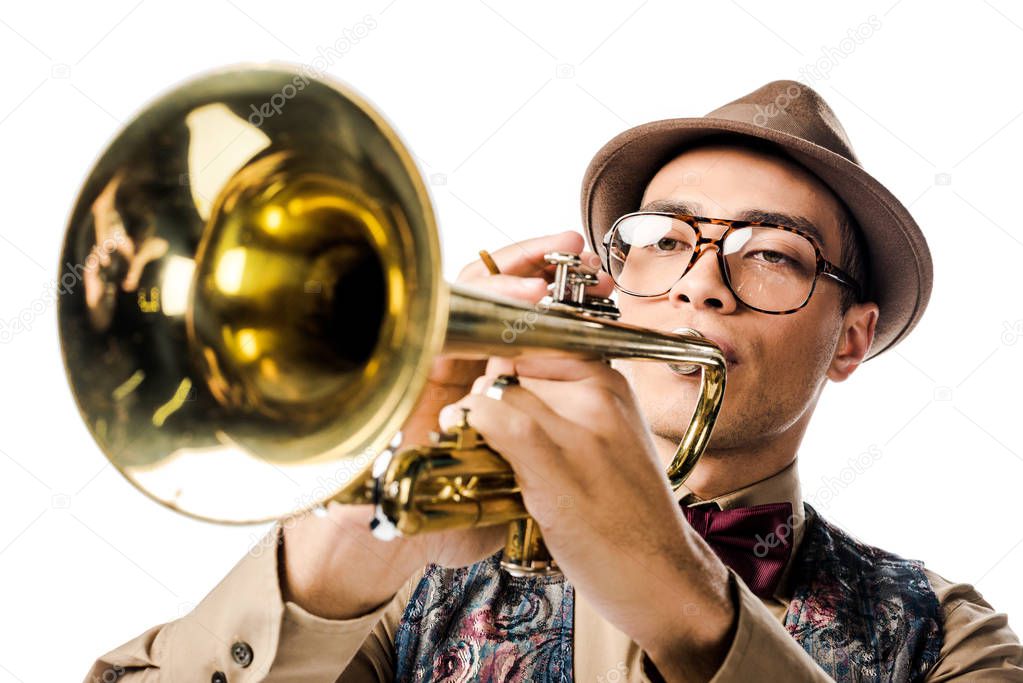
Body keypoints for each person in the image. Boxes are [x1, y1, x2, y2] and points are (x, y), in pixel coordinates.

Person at [85, 80, 1023, 682]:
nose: (699, 278)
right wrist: (342, 547)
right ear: (608, 287)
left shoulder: (947, 637)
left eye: (770, 252)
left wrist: (680, 591)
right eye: (664, 241)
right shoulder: (420, 577)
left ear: (851, 338)